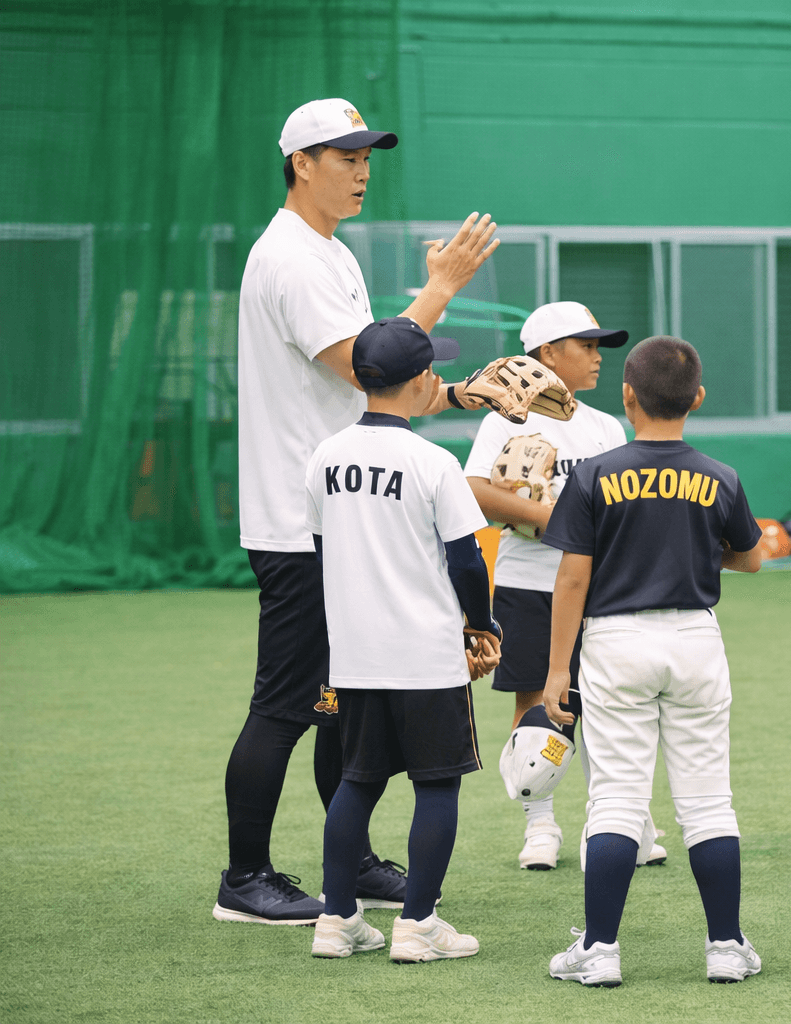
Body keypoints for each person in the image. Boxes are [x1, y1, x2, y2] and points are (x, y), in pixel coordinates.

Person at [222, 97, 501, 925]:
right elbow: (365, 364)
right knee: (285, 704)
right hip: (299, 522)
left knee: (344, 700)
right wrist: (439, 289)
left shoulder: (329, 251)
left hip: (338, 516)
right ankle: (244, 879)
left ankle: (353, 862)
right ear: (300, 163)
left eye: (367, 156)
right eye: (344, 156)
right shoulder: (292, 257)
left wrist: (459, 392)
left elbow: (383, 381)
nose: (361, 170)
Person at [540, 336, 765, 987]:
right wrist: (695, 546)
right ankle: (726, 947)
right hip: (695, 638)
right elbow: (751, 558)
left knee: (615, 797)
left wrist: (557, 670)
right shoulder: (720, 475)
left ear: (627, 396)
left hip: (615, 642)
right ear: (698, 398)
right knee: (708, 801)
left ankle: (599, 950)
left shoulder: (594, 474)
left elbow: (572, 579)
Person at [303, 317, 496, 961]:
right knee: (436, 785)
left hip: (354, 655)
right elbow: (467, 562)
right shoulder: (433, 462)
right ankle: (418, 925)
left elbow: (324, 553)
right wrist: (482, 624)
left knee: (357, 781)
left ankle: (336, 920)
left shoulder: (324, 456)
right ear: (421, 379)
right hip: (425, 657)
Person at [463, 301, 663, 871]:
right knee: (536, 704)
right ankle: (540, 826)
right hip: (529, 582)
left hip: (600, 587)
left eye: (600, 346)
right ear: (547, 354)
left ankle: (618, 821)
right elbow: (474, 490)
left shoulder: (604, 426)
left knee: (605, 706)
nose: (598, 357)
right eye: (587, 346)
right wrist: (556, 519)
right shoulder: (506, 419)